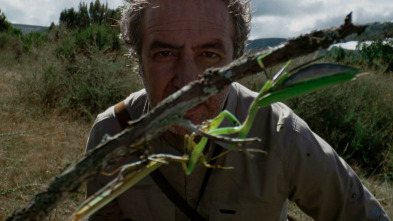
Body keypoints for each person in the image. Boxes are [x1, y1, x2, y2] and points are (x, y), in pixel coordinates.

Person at [85, 0, 389, 220]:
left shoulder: (280, 133)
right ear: (138, 60)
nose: (189, 82)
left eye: (210, 54)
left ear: (237, 60)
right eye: (165, 53)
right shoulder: (111, 134)